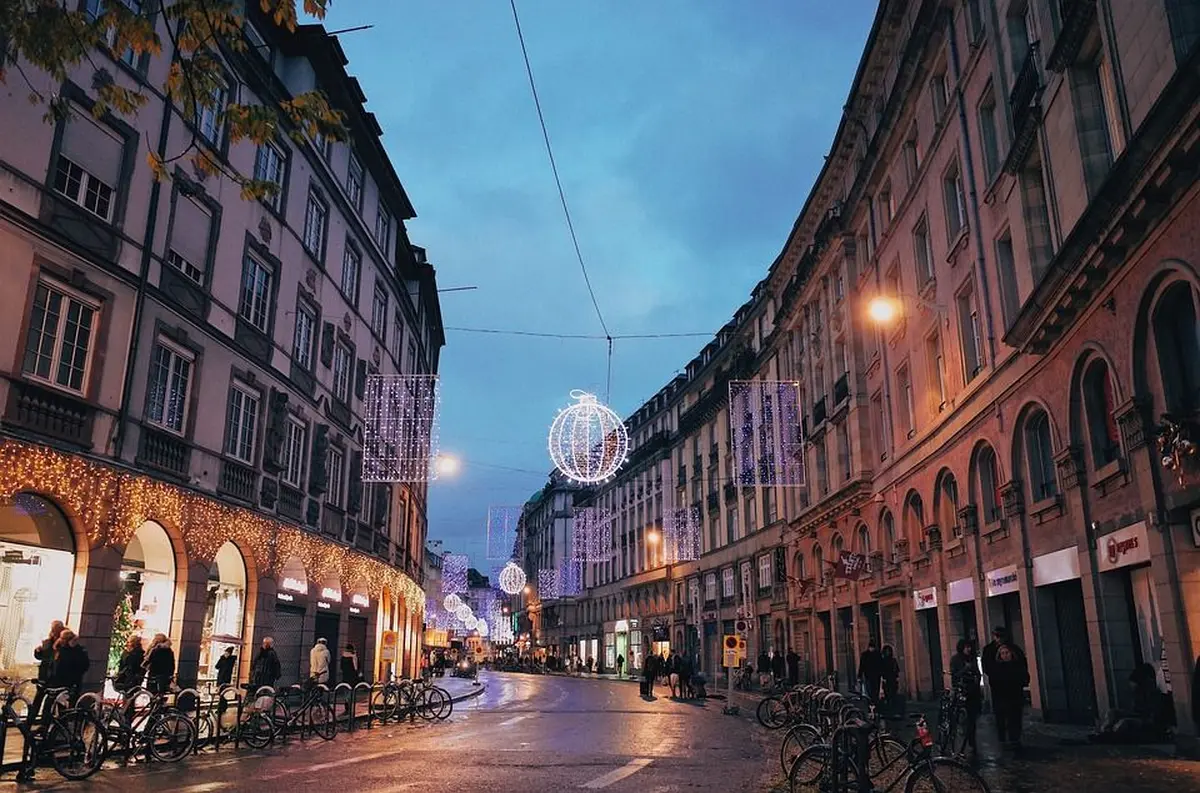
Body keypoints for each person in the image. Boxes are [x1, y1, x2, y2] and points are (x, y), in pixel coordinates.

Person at [1092, 663, 1173, 743]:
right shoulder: (1139, 695)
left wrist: (1130, 720)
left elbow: (1153, 720)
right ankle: (1103, 732)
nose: (1134, 692)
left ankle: (1110, 737)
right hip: (1141, 717)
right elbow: (1135, 711)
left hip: (1150, 726)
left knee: (1124, 723)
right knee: (1112, 713)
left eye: (1137, 688)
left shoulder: (1156, 696)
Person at [981, 625, 1029, 750]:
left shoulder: (1014, 649)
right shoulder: (989, 650)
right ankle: (1003, 737)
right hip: (999, 688)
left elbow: (1023, 667)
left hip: (1014, 689)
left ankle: (1014, 737)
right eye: (997, 636)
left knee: (1015, 713)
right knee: (1001, 714)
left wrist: (1023, 681)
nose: (999, 639)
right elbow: (987, 668)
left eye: (1001, 636)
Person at [949, 638, 983, 753]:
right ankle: (962, 734)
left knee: (972, 717)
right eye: (966, 647)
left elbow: (978, 673)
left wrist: (977, 681)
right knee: (962, 716)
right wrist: (965, 669)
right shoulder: (956, 659)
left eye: (970, 647)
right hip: (962, 691)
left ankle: (971, 739)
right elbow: (954, 675)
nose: (969, 649)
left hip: (973, 691)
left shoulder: (972, 658)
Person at [49, 629, 90, 701]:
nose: (60, 640)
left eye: (63, 638)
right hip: (56, 682)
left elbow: (84, 665)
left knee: (67, 703)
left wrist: (74, 676)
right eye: (60, 638)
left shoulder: (77, 651)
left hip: (70, 683)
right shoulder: (59, 648)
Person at [858, 640, 883, 704]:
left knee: (874, 690)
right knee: (870, 690)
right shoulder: (867, 655)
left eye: (873, 647)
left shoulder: (876, 654)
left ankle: (874, 702)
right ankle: (872, 702)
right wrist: (859, 675)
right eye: (871, 647)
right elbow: (862, 666)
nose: (872, 649)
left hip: (874, 675)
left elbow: (881, 665)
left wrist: (859, 675)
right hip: (869, 675)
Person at [880, 645, 901, 712]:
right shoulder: (883, 661)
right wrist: (883, 678)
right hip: (887, 679)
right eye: (886, 651)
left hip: (892, 679)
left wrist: (897, 677)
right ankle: (890, 707)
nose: (888, 653)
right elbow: (882, 670)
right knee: (888, 694)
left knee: (893, 693)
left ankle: (893, 707)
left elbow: (896, 669)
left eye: (889, 651)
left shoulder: (893, 660)